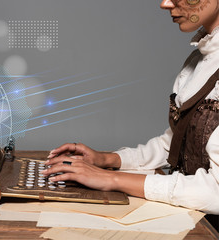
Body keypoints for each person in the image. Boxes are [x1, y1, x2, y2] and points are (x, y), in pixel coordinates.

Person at [42, 0, 219, 228]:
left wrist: (111, 179)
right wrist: (107, 160)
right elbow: (175, 145)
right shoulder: (198, 61)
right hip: (191, 220)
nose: (165, 3)